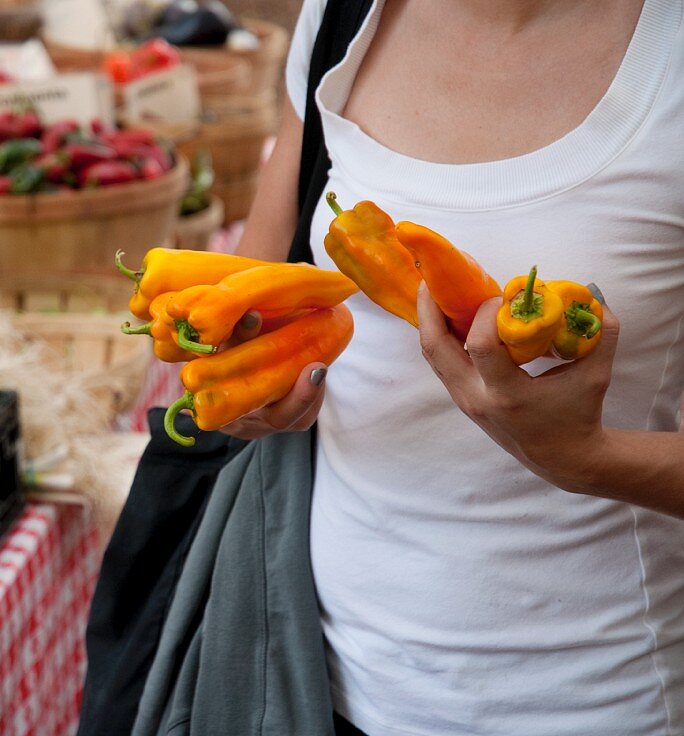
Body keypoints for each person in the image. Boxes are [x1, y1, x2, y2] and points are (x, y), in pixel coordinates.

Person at [218, 0, 684, 733]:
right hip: (318, 680)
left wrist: (591, 458)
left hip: (601, 702)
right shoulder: (339, 16)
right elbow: (254, 283)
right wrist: (245, 384)